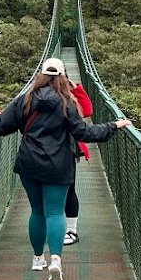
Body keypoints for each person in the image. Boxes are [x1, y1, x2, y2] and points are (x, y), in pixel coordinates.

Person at [0, 57, 131, 280]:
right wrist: (113, 126)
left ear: (40, 76)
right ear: (63, 77)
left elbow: (3, 126)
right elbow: (84, 133)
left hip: (29, 163)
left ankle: (37, 259)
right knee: (54, 212)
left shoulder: (24, 100)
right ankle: (55, 261)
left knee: (37, 211)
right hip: (58, 164)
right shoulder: (67, 103)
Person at [61, 67, 93, 246]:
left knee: (69, 190)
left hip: (68, 150)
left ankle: (71, 230)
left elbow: (87, 111)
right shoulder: (38, 97)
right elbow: (21, 113)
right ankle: (56, 229)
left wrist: (76, 89)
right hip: (46, 151)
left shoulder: (70, 99)